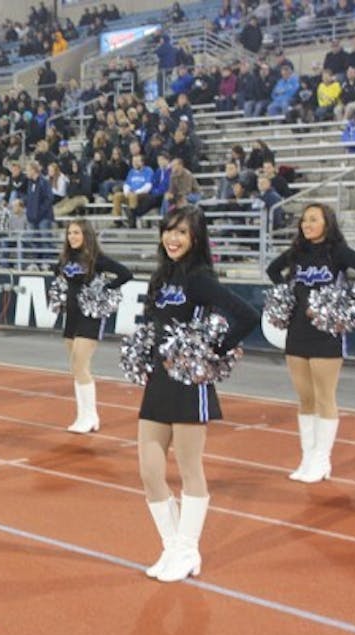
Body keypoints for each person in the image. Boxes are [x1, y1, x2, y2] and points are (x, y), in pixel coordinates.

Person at [139, 207, 258, 582]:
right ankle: (172, 546)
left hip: (191, 382)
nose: (173, 239)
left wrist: (213, 349)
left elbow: (247, 316)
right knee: (149, 471)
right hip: (159, 380)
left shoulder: (200, 278)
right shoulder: (160, 277)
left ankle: (188, 550)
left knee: (190, 469)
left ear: (195, 239)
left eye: (182, 234)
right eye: (169, 231)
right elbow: (151, 324)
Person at [266, 203, 355, 483]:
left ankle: (323, 460)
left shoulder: (337, 252)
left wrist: (347, 300)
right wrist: (287, 293)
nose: (306, 224)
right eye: (304, 220)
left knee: (325, 397)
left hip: (326, 333)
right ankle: (307, 458)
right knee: (305, 398)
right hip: (297, 331)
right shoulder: (298, 253)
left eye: (313, 219)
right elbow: (273, 270)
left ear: (327, 223)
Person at [55, 220, 132, 433]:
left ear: (86, 235)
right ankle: (86, 415)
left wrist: (105, 288)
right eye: (69, 233)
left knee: (80, 364)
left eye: (77, 232)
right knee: (76, 367)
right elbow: (58, 277)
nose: (72, 236)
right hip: (71, 316)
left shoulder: (96, 259)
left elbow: (125, 274)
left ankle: (89, 416)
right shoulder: (65, 259)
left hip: (90, 317)